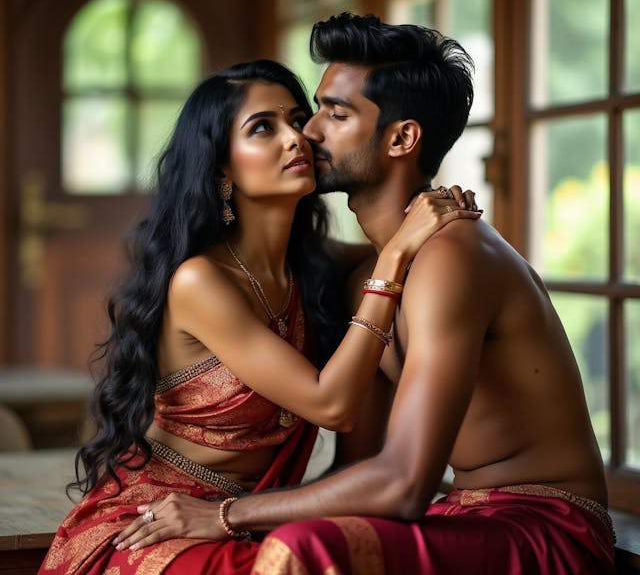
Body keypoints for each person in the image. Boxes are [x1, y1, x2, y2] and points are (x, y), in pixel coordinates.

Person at [113, 14, 616, 575]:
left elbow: (401, 485)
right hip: (456, 513)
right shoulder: (367, 279)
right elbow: (367, 464)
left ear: (401, 138)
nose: (308, 134)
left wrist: (229, 515)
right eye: (316, 110)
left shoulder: (452, 258)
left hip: (546, 525)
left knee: (297, 549)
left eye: (335, 114)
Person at [38, 59, 480, 575]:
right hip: (161, 520)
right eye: (262, 128)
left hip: (248, 519)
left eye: (297, 120)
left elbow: (383, 258)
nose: (296, 139)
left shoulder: (315, 269)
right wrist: (397, 253)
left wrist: (430, 221)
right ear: (223, 168)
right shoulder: (200, 282)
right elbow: (331, 405)